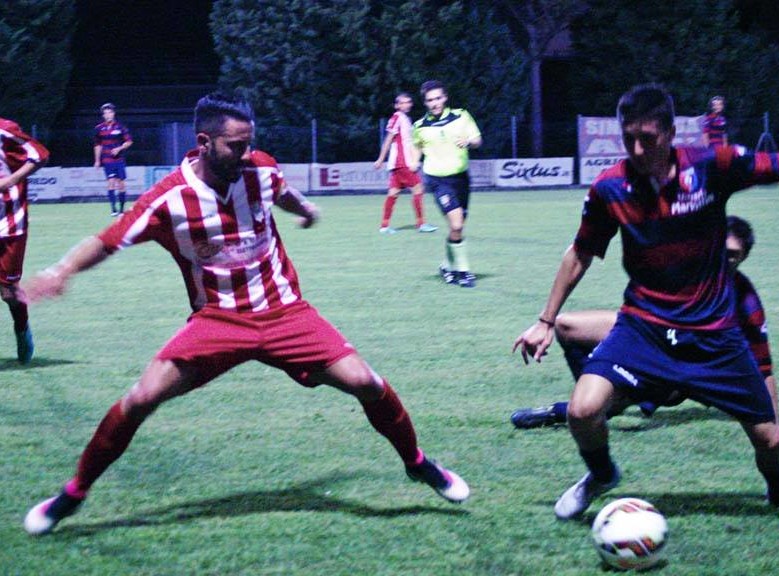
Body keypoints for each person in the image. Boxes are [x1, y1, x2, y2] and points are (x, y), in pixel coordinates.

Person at [22, 93, 469, 537]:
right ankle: (74, 494)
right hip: (217, 322)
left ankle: (417, 464)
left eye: (248, 142)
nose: (245, 152)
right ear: (204, 141)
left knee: (367, 383)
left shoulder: (259, 168)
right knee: (140, 399)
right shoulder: (168, 200)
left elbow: (283, 193)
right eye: (235, 145)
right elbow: (106, 241)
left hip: (285, 313)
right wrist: (61, 270)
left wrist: (307, 211)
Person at [513, 83, 779, 521]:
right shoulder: (610, 188)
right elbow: (580, 252)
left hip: (713, 336)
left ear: (671, 133)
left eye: (647, 138)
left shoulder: (712, 166)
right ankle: (600, 475)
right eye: (628, 138)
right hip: (643, 329)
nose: (637, 149)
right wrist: (545, 319)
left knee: (771, 441)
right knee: (583, 410)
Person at [511, 216, 779, 429]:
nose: (723, 259)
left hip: (683, 369)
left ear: (744, 257)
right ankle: (599, 398)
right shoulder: (677, 269)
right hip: (648, 339)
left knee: (610, 400)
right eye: (719, 250)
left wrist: (775, 424)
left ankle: (580, 408)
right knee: (566, 325)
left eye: (733, 255)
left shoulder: (744, 299)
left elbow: (763, 366)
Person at [412, 80, 481, 288]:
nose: (434, 103)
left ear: (445, 98)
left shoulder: (462, 116)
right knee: (457, 224)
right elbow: (418, 147)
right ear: (425, 102)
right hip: (437, 180)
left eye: (438, 98)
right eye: (430, 100)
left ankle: (447, 266)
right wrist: (414, 162)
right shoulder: (419, 126)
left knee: (457, 228)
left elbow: (478, 140)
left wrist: (469, 142)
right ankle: (463, 271)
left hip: (461, 179)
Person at [0, 118, 50, 364]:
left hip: (10, 225)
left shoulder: (5, 130)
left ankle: (22, 329)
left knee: (8, 292)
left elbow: (40, 155)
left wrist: (10, 181)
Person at [373, 92, 438, 235]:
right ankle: (421, 224)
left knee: (393, 193)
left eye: (408, 102)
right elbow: (389, 139)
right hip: (403, 163)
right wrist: (380, 159)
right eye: (402, 102)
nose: (406, 104)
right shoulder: (398, 117)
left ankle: (384, 226)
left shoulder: (405, 119)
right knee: (418, 189)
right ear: (397, 105)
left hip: (398, 164)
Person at [94, 103, 133, 216]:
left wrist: (119, 148)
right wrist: (97, 160)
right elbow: (97, 145)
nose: (108, 115)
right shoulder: (99, 128)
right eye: (105, 113)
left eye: (110, 112)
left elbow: (129, 141)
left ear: (113, 113)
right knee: (110, 183)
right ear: (103, 115)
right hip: (107, 160)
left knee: (121, 184)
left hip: (119, 159)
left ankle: (121, 210)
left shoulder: (121, 127)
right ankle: (113, 209)